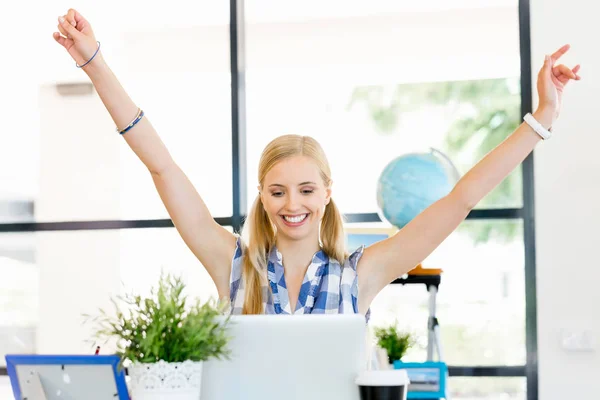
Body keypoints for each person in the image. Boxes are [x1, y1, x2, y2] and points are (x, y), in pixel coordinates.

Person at [53, 9, 581, 317]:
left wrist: (540, 118)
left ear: (327, 192)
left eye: (306, 189)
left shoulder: (362, 275)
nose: (292, 204)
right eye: (277, 191)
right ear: (263, 196)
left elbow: (460, 198)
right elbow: (162, 166)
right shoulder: (232, 265)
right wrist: (94, 63)